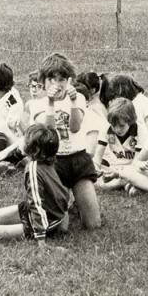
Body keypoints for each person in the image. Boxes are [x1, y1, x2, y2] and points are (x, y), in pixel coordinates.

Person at [0, 124, 70, 247]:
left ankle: (32, 228)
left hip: (43, 220)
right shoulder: (47, 162)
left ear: (33, 149)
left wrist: (41, 239)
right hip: (33, 210)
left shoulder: (33, 169)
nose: (20, 141)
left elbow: (37, 204)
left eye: (24, 139)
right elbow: (63, 193)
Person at [30, 53, 101, 229]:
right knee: (60, 228)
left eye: (62, 79)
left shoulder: (79, 98)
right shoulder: (38, 104)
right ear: (43, 82)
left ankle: (77, 206)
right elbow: (50, 133)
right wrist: (51, 103)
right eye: (51, 79)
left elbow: (75, 127)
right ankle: (29, 210)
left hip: (78, 159)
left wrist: (74, 101)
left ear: (69, 80)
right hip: (53, 162)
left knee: (93, 224)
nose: (57, 84)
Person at [94, 97, 148, 191]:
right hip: (113, 168)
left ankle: (120, 183)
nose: (117, 129)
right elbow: (97, 157)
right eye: (113, 125)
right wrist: (96, 169)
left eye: (121, 126)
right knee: (88, 166)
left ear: (130, 121)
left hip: (133, 168)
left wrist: (122, 174)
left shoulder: (141, 131)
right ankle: (128, 185)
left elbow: (137, 161)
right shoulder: (106, 128)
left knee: (145, 169)